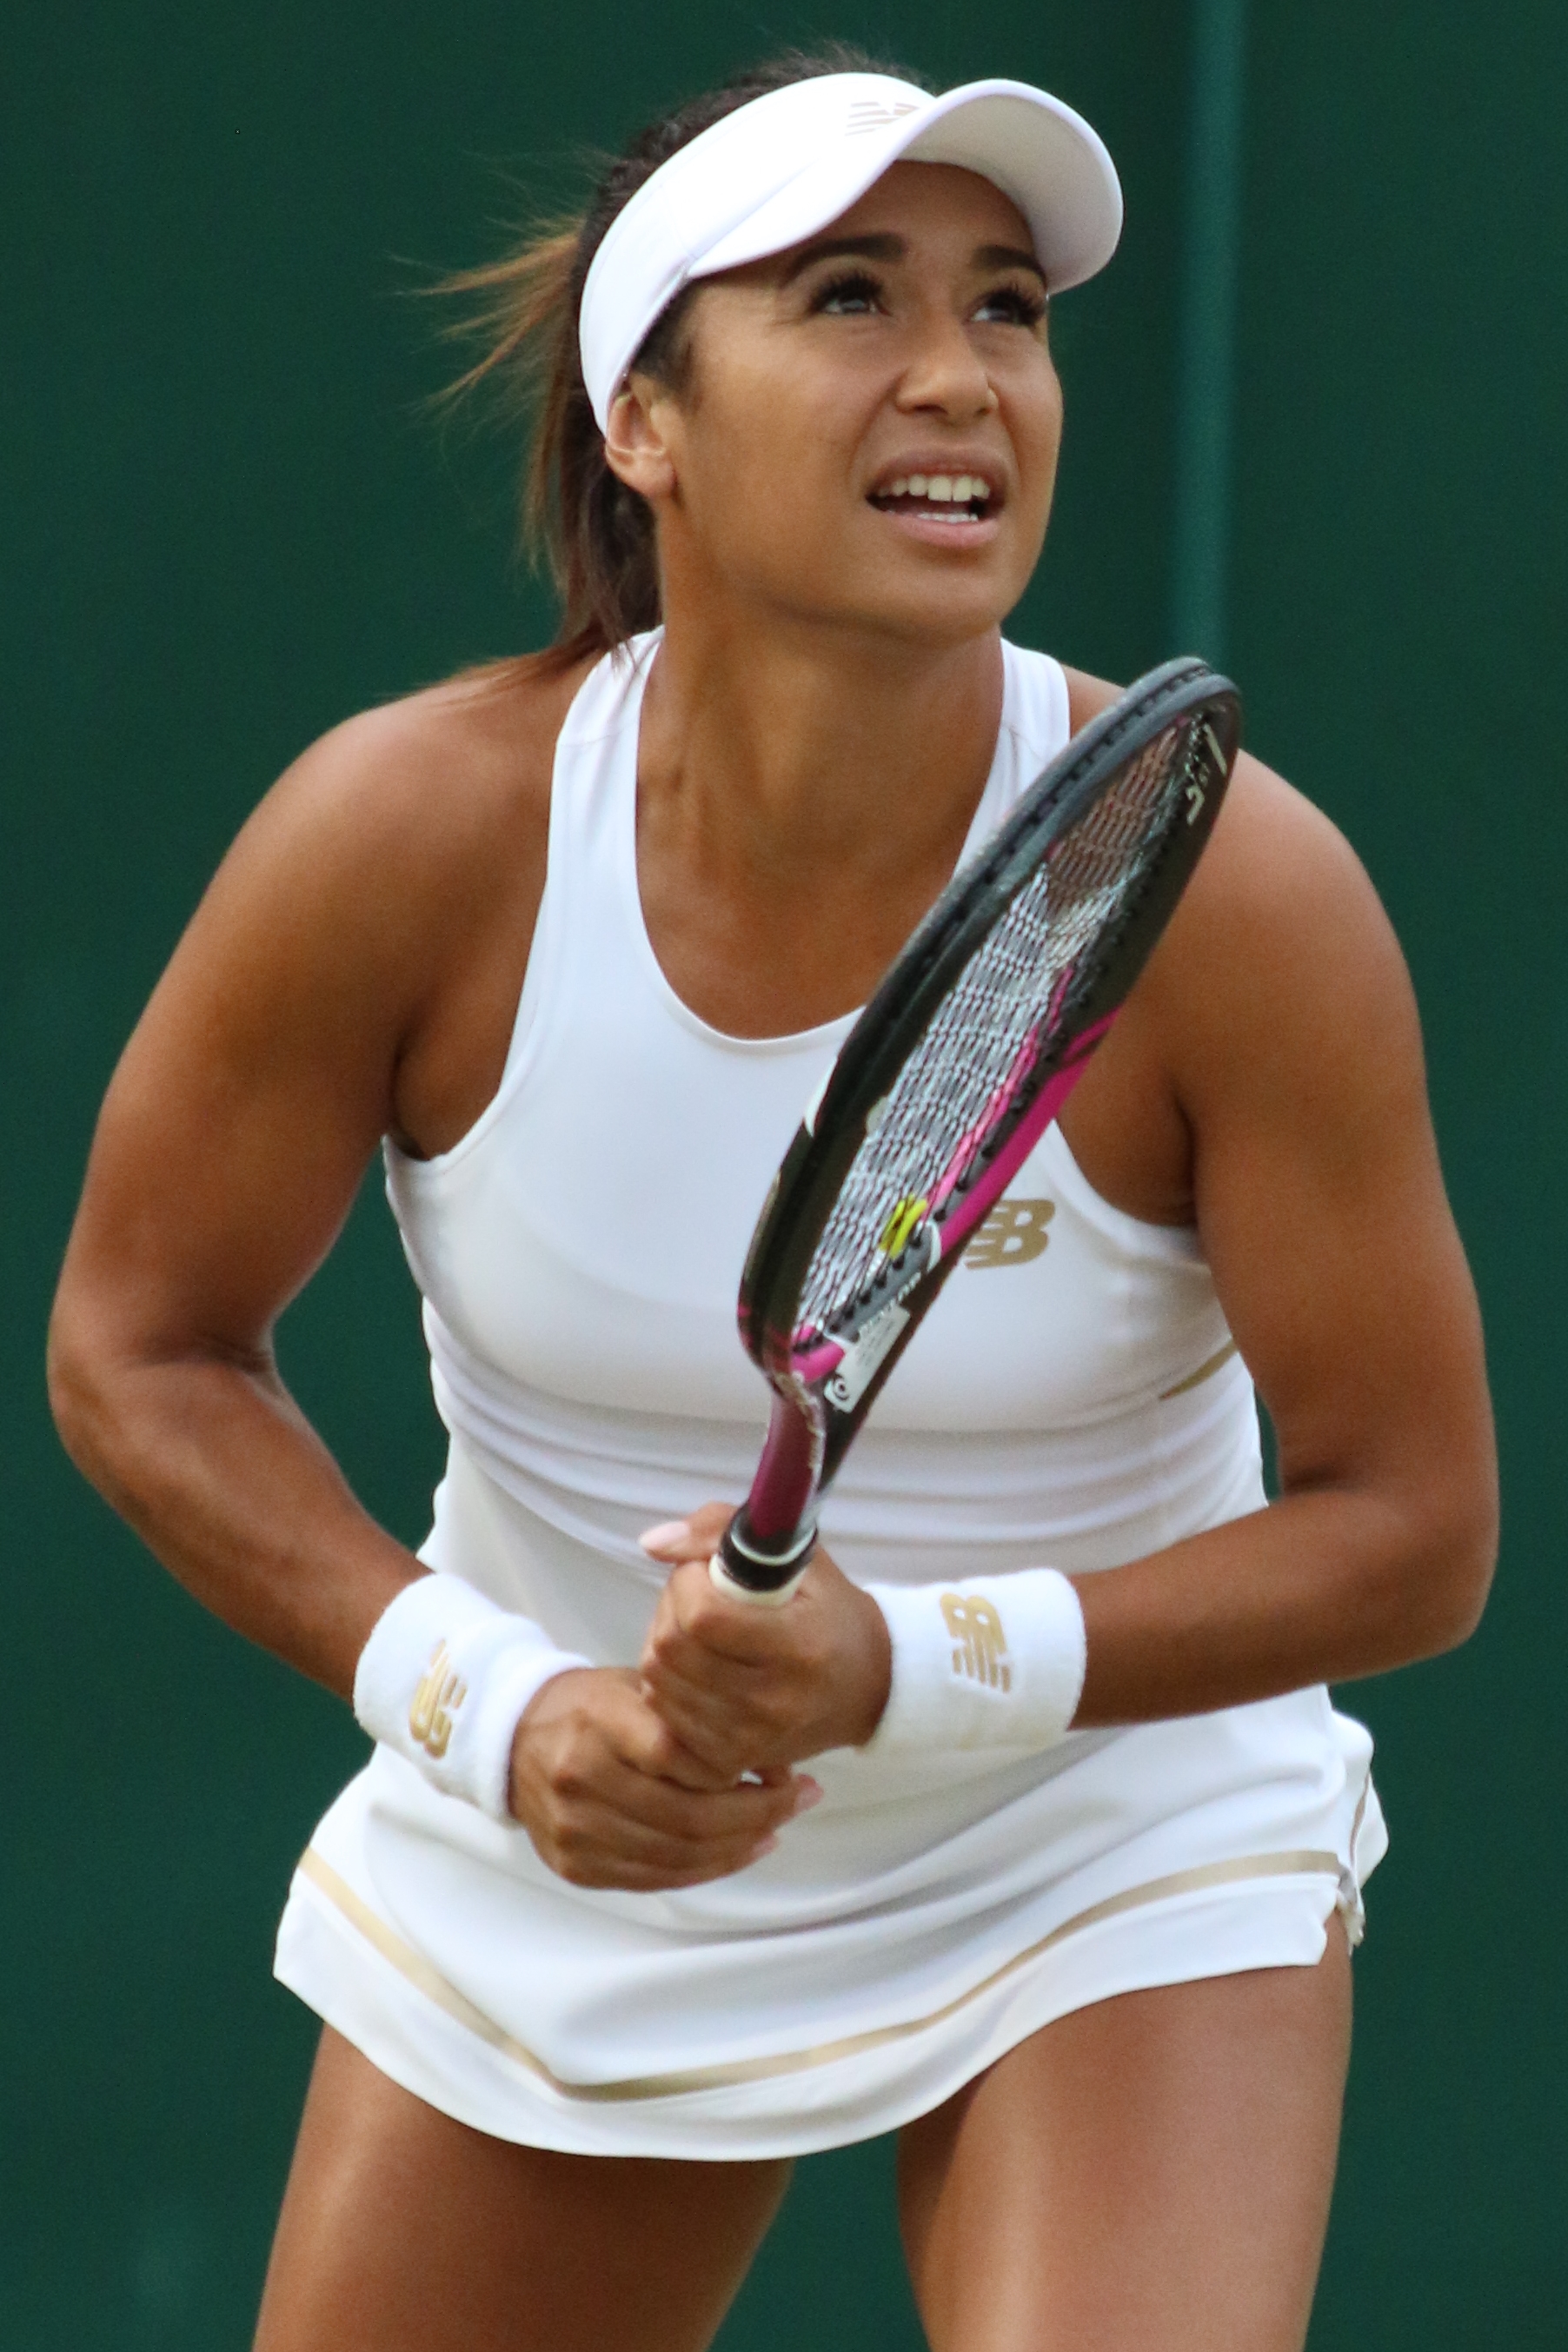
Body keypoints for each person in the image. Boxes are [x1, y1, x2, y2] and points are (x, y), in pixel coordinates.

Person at [49, 46, 1497, 2352]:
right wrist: (487, 1702)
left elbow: (1415, 1523)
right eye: (847, 298)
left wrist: (912, 1665)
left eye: (1007, 306)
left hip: (1097, 1825)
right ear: (648, 419)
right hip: (565, 1816)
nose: (959, 376)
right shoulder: (408, 840)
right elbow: (138, 1341)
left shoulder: (1224, 893)